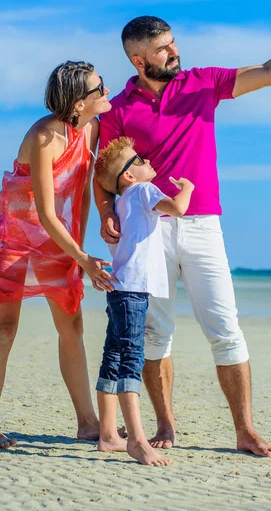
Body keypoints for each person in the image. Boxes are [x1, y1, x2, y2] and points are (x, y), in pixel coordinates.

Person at [94, 14, 271, 458]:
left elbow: (267, 72)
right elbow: (105, 168)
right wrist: (107, 210)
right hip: (150, 229)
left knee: (226, 329)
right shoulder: (119, 108)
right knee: (155, 333)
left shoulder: (201, 83)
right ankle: (165, 422)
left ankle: (244, 430)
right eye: (163, 48)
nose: (174, 51)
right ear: (138, 59)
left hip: (204, 224)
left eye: (172, 42)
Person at [0, 61, 116, 448]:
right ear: (76, 101)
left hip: (59, 240)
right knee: (3, 328)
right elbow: (45, 210)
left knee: (72, 327)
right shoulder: (43, 136)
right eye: (98, 88)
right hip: (16, 236)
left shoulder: (93, 128)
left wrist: (79, 251)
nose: (106, 92)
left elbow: (83, 191)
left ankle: (88, 422)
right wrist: (83, 257)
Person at [94, 136, 194, 465]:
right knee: (132, 359)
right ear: (129, 176)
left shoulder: (122, 200)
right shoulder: (144, 191)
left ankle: (109, 434)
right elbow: (179, 209)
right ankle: (137, 440)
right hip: (134, 289)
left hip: (120, 288)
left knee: (113, 354)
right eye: (138, 160)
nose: (146, 160)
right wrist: (189, 188)